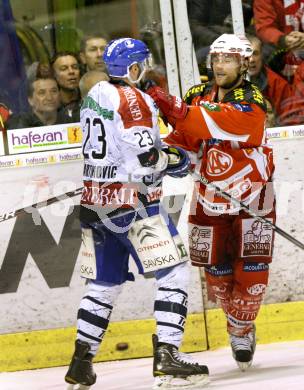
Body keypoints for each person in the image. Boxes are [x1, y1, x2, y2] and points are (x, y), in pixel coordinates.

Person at [64, 38, 209, 390]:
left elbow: (117, 146)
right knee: (173, 271)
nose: (146, 68)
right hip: (134, 205)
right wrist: (173, 162)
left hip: (96, 203)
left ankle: (81, 362)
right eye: (142, 63)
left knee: (103, 283)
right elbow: (145, 161)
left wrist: (163, 155)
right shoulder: (134, 99)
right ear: (131, 68)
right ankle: (167, 356)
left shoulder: (94, 94)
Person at [147, 34, 275, 371]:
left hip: (253, 196)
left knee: (252, 273)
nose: (220, 65)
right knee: (216, 274)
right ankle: (238, 324)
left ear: (244, 63)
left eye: (228, 59)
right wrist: (169, 155)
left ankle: (240, 329)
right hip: (208, 198)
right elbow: (185, 139)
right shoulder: (195, 96)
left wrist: (174, 108)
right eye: (216, 58)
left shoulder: (253, 99)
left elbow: (224, 123)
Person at [246, 35, 292, 121]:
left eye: (255, 54)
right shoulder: (229, 82)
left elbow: (288, 119)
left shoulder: (279, 84)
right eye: (246, 54)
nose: (251, 59)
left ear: (262, 56)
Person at [6, 76, 72, 129]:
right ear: (30, 100)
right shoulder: (19, 126)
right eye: (42, 93)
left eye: (54, 91)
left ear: (59, 95)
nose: (49, 98)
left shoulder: (71, 122)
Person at [51, 52, 81, 121]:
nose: (71, 71)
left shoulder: (88, 102)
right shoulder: (50, 106)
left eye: (75, 67)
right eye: (64, 69)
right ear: (54, 75)